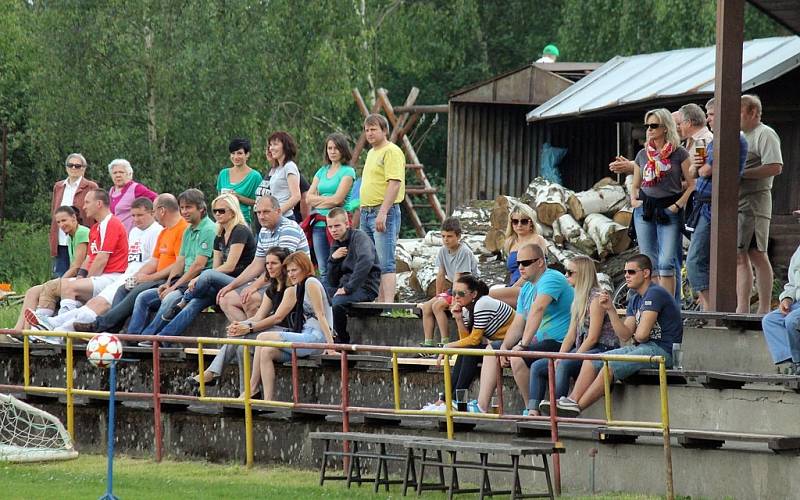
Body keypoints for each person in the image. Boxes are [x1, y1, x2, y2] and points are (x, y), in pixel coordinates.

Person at [555, 254, 683, 417]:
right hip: (644, 348)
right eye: (625, 272)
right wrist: (610, 309)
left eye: (631, 272)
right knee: (591, 360)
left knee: (609, 367)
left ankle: (578, 407)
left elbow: (642, 335)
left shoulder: (655, 293)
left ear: (645, 273)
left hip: (663, 351)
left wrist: (637, 334)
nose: (626, 276)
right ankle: (571, 401)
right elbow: (624, 335)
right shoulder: (636, 298)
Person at [33, 197, 164, 332]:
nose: (136, 219)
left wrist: (136, 277)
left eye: (140, 215)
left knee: (99, 303)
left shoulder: (156, 231)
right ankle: (53, 324)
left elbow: (154, 262)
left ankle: (60, 332)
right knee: (92, 302)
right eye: (133, 216)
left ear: (152, 213)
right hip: (125, 276)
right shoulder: (134, 232)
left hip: (130, 278)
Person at [473, 244, 573, 413]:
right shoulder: (526, 288)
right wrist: (505, 347)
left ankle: (531, 409)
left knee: (517, 357)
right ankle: (481, 406)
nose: (520, 267)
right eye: (519, 263)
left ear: (540, 262)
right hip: (539, 342)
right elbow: (519, 322)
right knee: (492, 350)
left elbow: (538, 309)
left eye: (526, 263)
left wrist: (522, 345)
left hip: (560, 342)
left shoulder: (551, 278)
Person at [71, 194, 188, 333]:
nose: (154, 215)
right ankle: (111, 331)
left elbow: (178, 264)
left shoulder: (182, 230)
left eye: (154, 210)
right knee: (123, 288)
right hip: (155, 276)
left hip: (168, 278)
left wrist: (150, 278)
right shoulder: (164, 232)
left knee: (138, 293)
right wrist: (138, 275)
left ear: (161, 211)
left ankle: (101, 325)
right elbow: (154, 260)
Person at [26, 190, 130, 338]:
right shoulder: (96, 227)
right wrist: (81, 276)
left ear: (99, 204)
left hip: (111, 276)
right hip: (100, 277)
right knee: (50, 287)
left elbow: (101, 259)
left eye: (87, 202)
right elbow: (90, 257)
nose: (84, 206)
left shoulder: (111, 223)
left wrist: (86, 280)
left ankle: (56, 332)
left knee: (67, 285)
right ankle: (39, 329)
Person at [151, 193, 257, 338]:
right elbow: (216, 267)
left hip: (241, 282)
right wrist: (203, 279)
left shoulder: (240, 230)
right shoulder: (219, 234)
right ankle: (163, 338)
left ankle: (182, 301)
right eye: (215, 211)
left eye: (222, 210)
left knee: (205, 275)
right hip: (222, 284)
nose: (218, 214)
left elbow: (230, 266)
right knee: (195, 303)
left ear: (232, 211)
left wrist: (200, 278)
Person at [188, 247, 292, 392]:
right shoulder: (272, 288)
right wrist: (240, 325)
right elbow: (258, 317)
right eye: (267, 263)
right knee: (242, 345)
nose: (269, 266)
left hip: (290, 332)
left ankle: (212, 373)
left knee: (243, 335)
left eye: (274, 263)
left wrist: (247, 328)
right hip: (274, 332)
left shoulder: (291, 287)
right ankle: (248, 393)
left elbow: (277, 318)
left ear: (284, 265)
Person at [528, 256, 619, 416]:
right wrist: (560, 356)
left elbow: (593, 337)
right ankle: (533, 411)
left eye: (570, 272)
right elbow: (570, 335)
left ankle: (556, 409)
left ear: (582, 274)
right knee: (540, 366)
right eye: (566, 272)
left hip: (603, 348)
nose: (565, 276)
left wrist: (571, 357)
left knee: (564, 364)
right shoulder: (577, 298)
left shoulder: (596, 298)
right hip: (584, 348)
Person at [124, 189, 216, 345]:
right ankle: (132, 338)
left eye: (189, 207)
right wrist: (168, 283)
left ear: (201, 208)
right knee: (143, 297)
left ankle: (150, 338)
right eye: (182, 207)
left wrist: (173, 288)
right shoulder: (188, 230)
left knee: (170, 299)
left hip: (199, 282)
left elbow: (198, 266)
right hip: (183, 281)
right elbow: (180, 261)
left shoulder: (208, 229)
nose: (184, 212)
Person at [685, 98, 748, 312]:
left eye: (711, 115)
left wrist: (701, 167)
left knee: (696, 260)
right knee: (701, 260)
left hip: (717, 206)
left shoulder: (732, 139)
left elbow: (705, 171)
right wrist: (699, 167)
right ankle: (707, 309)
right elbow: (694, 171)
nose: (708, 119)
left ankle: (712, 310)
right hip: (704, 205)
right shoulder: (714, 141)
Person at [248, 252, 334, 400]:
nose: (291, 274)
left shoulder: (310, 283)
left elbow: (321, 315)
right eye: (288, 271)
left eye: (294, 270)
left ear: (304, 268)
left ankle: (251, 389)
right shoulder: (300, 286)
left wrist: (331, 346)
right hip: (306, 334)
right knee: (267, 351)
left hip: (316, 337)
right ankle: (268, 400)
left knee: (262, 337)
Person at [626, 109, 692, 296]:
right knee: (648, 263)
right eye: (647, 126)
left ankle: (670, 308)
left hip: (669, 209)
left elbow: (692, 185)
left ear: (665, 128)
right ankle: (653, 306)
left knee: (666, 262)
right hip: (645, 209)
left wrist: (677, 205)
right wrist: (633, 199)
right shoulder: (642, 154)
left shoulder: (679, 153)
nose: (649, 130)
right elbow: (636, 183)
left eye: (654, 126)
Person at [215, 195, 309, 327]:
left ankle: (254, 334)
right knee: (225, 298)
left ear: (278, 211)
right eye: (258, 212)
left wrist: (254, 286)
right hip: (273, 282)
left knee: (249, 298)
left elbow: (281, 266)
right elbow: (257, 264)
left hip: (291, 283)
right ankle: (246, 335)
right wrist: (231, 286)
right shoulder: (264, 231)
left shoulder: (288, 228)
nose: (261, 216)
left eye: (266, 212)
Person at [737, 94, 784, 314]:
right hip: (737, 201)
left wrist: (742, 174)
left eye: (739, 112)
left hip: (755, 201)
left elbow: (775, 166)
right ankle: (742, 307)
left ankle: (764, 308)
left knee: (757, 252)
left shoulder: (765, 134)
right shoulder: (738, 135)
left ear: (753, 112)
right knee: (739, 255)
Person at [15, 206, 89, 331]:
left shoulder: (82, 232)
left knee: (45, 288)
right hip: (73, 279)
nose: (61, 225)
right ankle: (19, 330)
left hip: (84, 279)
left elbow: (76, 266)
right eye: (58, 222)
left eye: (64, 220)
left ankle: (28, 332)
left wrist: (57, 282)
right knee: (32, 292)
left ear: (74, 218)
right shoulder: (70, 236)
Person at [442, 275, 514, 401]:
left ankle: (454, 400)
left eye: (461, 293)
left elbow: (474, 340)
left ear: (474, 294)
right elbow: (468, 341)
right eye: (454, 293)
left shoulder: (483, 303)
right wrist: (458, 319)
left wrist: (448, 346)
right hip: (499, 345)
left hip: (513, 344)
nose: (456, 297)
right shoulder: (466, 308)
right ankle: (446, 399)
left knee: (469, 352)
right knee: (466, 352)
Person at [360, 113, 406, 303]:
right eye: (367, 130)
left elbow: (394, 183)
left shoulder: (391, 151)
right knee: (372, 261)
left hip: (382, 211)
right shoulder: (371, 152)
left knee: (386, 261)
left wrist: (383, 212)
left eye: (373, 129)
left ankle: (388, 305)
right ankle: (377, 301)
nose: (369, 133)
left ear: (384, 131)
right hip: (366, 211)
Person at [419, 217, 479, 348]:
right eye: (443, 236)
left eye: (450, 236)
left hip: (467, 288)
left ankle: (445, 341)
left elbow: (459, 278)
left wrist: (453, 301)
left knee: (437, 306)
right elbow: (440, 275)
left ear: (458, 236)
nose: (446, 239)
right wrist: (437, 295)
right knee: (427, 306)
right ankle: (428, 343)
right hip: (455, 287)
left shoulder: (463, 251)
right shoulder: (443, 250)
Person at [324, 207, 380, 344]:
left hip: (365, 287)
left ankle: (342, 342)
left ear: (347, 224)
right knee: (317, 293)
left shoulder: (359, 237)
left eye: (337, 226)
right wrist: (333, 259)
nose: (333, 230)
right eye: (330, 227)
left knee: (337, 302)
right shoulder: (335, 244)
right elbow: (331, 281)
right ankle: (325, 337)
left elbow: (366, 261)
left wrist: (348, 288)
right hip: (344, 287)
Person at [306, 133, 356, 281]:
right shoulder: (322, 170)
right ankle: (326, 302)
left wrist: (319, 200)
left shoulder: (348, 171)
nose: (332, 151)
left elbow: (338, 200)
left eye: (336, 148)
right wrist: (329, 199)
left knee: (342, 264)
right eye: (329, 148)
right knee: (323, 268)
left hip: (339, 223)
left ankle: (340, 300)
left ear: (343, 150)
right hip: (320, 223)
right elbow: (308, 197)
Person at [489, 204, 548, 308]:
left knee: (486, 297)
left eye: (524, 221)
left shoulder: (537, 240)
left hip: (530, 287)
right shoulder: (510, 242)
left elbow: (534, 271)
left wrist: (512, 288)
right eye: (515, 221)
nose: (519, 225)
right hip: (513, 287)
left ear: (531, 222)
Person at [49, 154, 98, 277]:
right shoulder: (59, 186)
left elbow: (96, 214)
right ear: (66, 167)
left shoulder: (91, 186)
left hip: (81, 238)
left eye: (78, 166)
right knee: (59, 275)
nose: (74, 168)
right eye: (71, 165)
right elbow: (54, 211)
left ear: (84, 168)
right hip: (61, 239)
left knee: (78, 274)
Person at [761, 242, 800, 374]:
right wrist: (787, 298)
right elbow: (793, 282)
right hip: (798, 303)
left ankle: (798, 361)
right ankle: (794, 362)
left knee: (792, 321)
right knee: (770, 320)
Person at [216, 137, 262, 225]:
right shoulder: (223, 174)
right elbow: (218, 199)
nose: (236, 157)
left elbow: (259, 202)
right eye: (233, 153)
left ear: (247, 154)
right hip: (222, 221)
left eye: (239, 153)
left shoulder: (255, 176)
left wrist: (238, 197)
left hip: (241, 221)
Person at [106, 159, 158, 232]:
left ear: (129, 174)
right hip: (115, 233)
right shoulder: (111, 191)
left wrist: (152, 218)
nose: (118, 175)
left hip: (131, 234)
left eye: (121, 172)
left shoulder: (136, 188)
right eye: (115, 173)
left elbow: (158, 200)